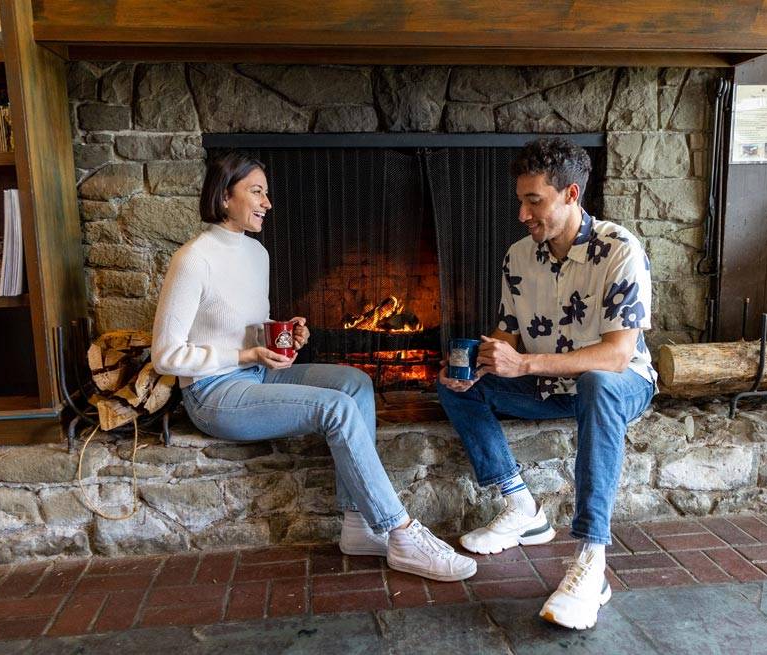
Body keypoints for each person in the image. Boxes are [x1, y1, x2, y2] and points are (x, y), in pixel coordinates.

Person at [152, 150, 476, 583]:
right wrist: (246, 355)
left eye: (266, 192)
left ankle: (359, 524)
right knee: (335, 408)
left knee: (355, 383)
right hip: (214, 394)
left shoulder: (256, 255)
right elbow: (165, 355)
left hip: (258, 374)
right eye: (256, 191)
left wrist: (284, 336)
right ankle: (400, 532)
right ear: (224, 196)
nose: (267, 202)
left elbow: (238, 326)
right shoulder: (193, 258)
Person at [437, 137, 656, 629]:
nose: (522, 213)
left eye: (534, 201)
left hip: (621, 385)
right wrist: (476, 363)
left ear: (571, 195)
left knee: (598, 384)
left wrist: (525, 366)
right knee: (458, 384)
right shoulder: (519, 256)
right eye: (521, 200)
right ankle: (520, 507)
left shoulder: (620, 251)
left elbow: (618, 355)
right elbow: (506, 333)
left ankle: (591, 559)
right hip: (552, 388)